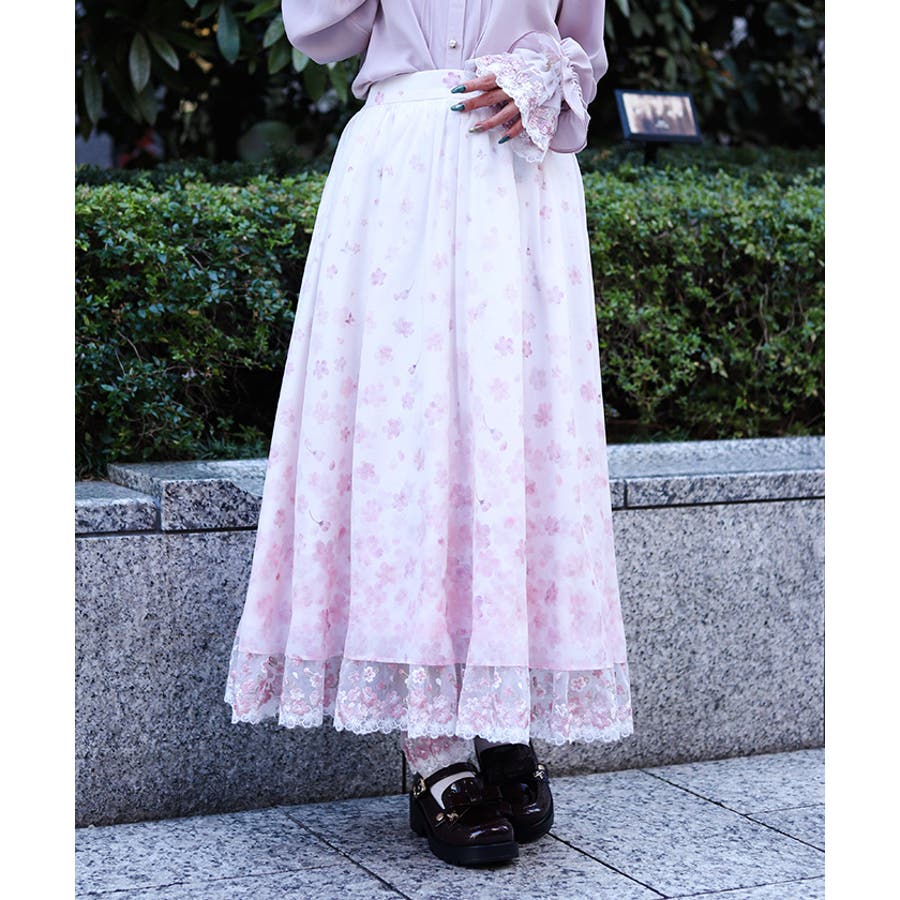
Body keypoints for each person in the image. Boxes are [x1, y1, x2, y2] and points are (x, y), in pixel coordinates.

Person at [225, 0, 633, 868]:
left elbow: (584, 49)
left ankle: (500, 715)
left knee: (513, 446)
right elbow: (319, 31)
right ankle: (432, 745)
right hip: (400, 176)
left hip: (519, 179)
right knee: (405, 443)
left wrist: (542, 75)